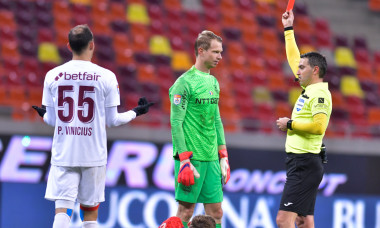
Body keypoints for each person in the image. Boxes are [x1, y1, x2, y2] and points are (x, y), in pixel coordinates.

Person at [32, 24, 153, 228]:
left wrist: (44, 115)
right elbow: (112, 120)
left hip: (64, 154)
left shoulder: (53, 75)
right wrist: (136, 112)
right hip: (93, 155)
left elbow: (52, 121)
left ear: (68, 46)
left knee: (62, 210)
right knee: (90, 215)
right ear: (92, 45)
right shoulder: (106, 76)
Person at [275, 10, 332, 228]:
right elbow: (292, 58)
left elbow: (318, 127)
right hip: (304, 162)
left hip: (304, 163)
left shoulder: (318, 94)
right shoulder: (309, 88)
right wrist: (288, 29)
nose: (297, 70)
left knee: (284, 220)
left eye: (302, 67)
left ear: (315, 70)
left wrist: (289, 124)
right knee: (304, 220)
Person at [169, 30, 230, 228]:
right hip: (191, 158)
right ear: (201, 51)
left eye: (221, 52)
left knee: (216, 212)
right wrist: (184, 159)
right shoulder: (183, 83)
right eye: (215, 52)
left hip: (211, 157)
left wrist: (223, 154)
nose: (220, 56)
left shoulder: (213, 81)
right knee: (186, 211)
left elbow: (217, 119)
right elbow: (176, 122)